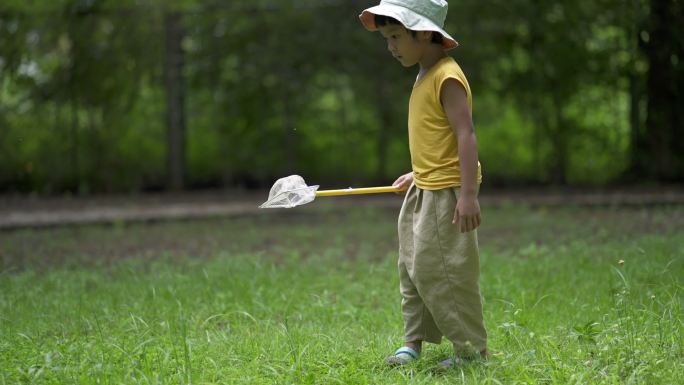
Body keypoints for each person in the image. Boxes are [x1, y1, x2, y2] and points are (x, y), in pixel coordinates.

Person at [358, 0, 488, 368]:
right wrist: (419, 173)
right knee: (412, 267)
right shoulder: (424, 72)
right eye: (386, 38)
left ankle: (473, 351)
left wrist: (467, 195)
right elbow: (439, 137)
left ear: (426, 33)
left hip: (448, 195)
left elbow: (466, 135)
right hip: (423, 189)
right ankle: (412, 343)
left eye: (396, 36)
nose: (391, 46)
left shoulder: (447, 76)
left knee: (447, 271)